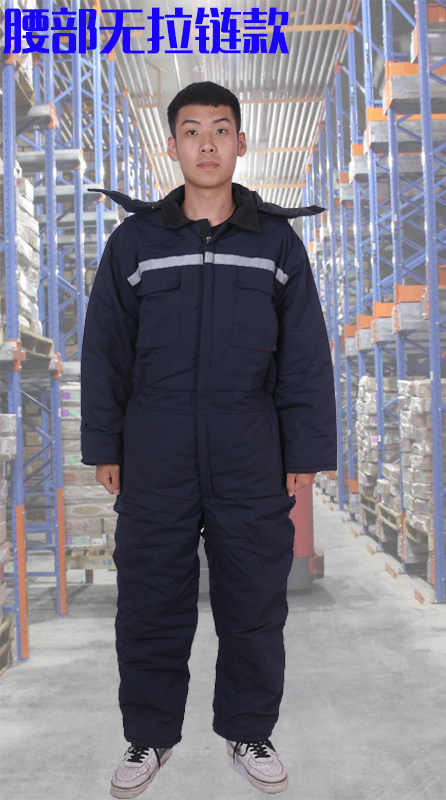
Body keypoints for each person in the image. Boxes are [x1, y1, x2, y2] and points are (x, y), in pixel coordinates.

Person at [80, 81, 337, 798]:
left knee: (253, 599)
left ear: (241, 142)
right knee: (150, 598)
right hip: (155, 442)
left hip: (248, 440)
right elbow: (105, 349)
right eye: (191, 131)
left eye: (220, 129)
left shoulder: (276, 243)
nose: (206, 144)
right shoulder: (135, 242)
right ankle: (148, 736)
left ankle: (249, 731)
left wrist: (305, 452)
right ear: (173, 146)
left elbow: (305, 356)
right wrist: (105, 444)